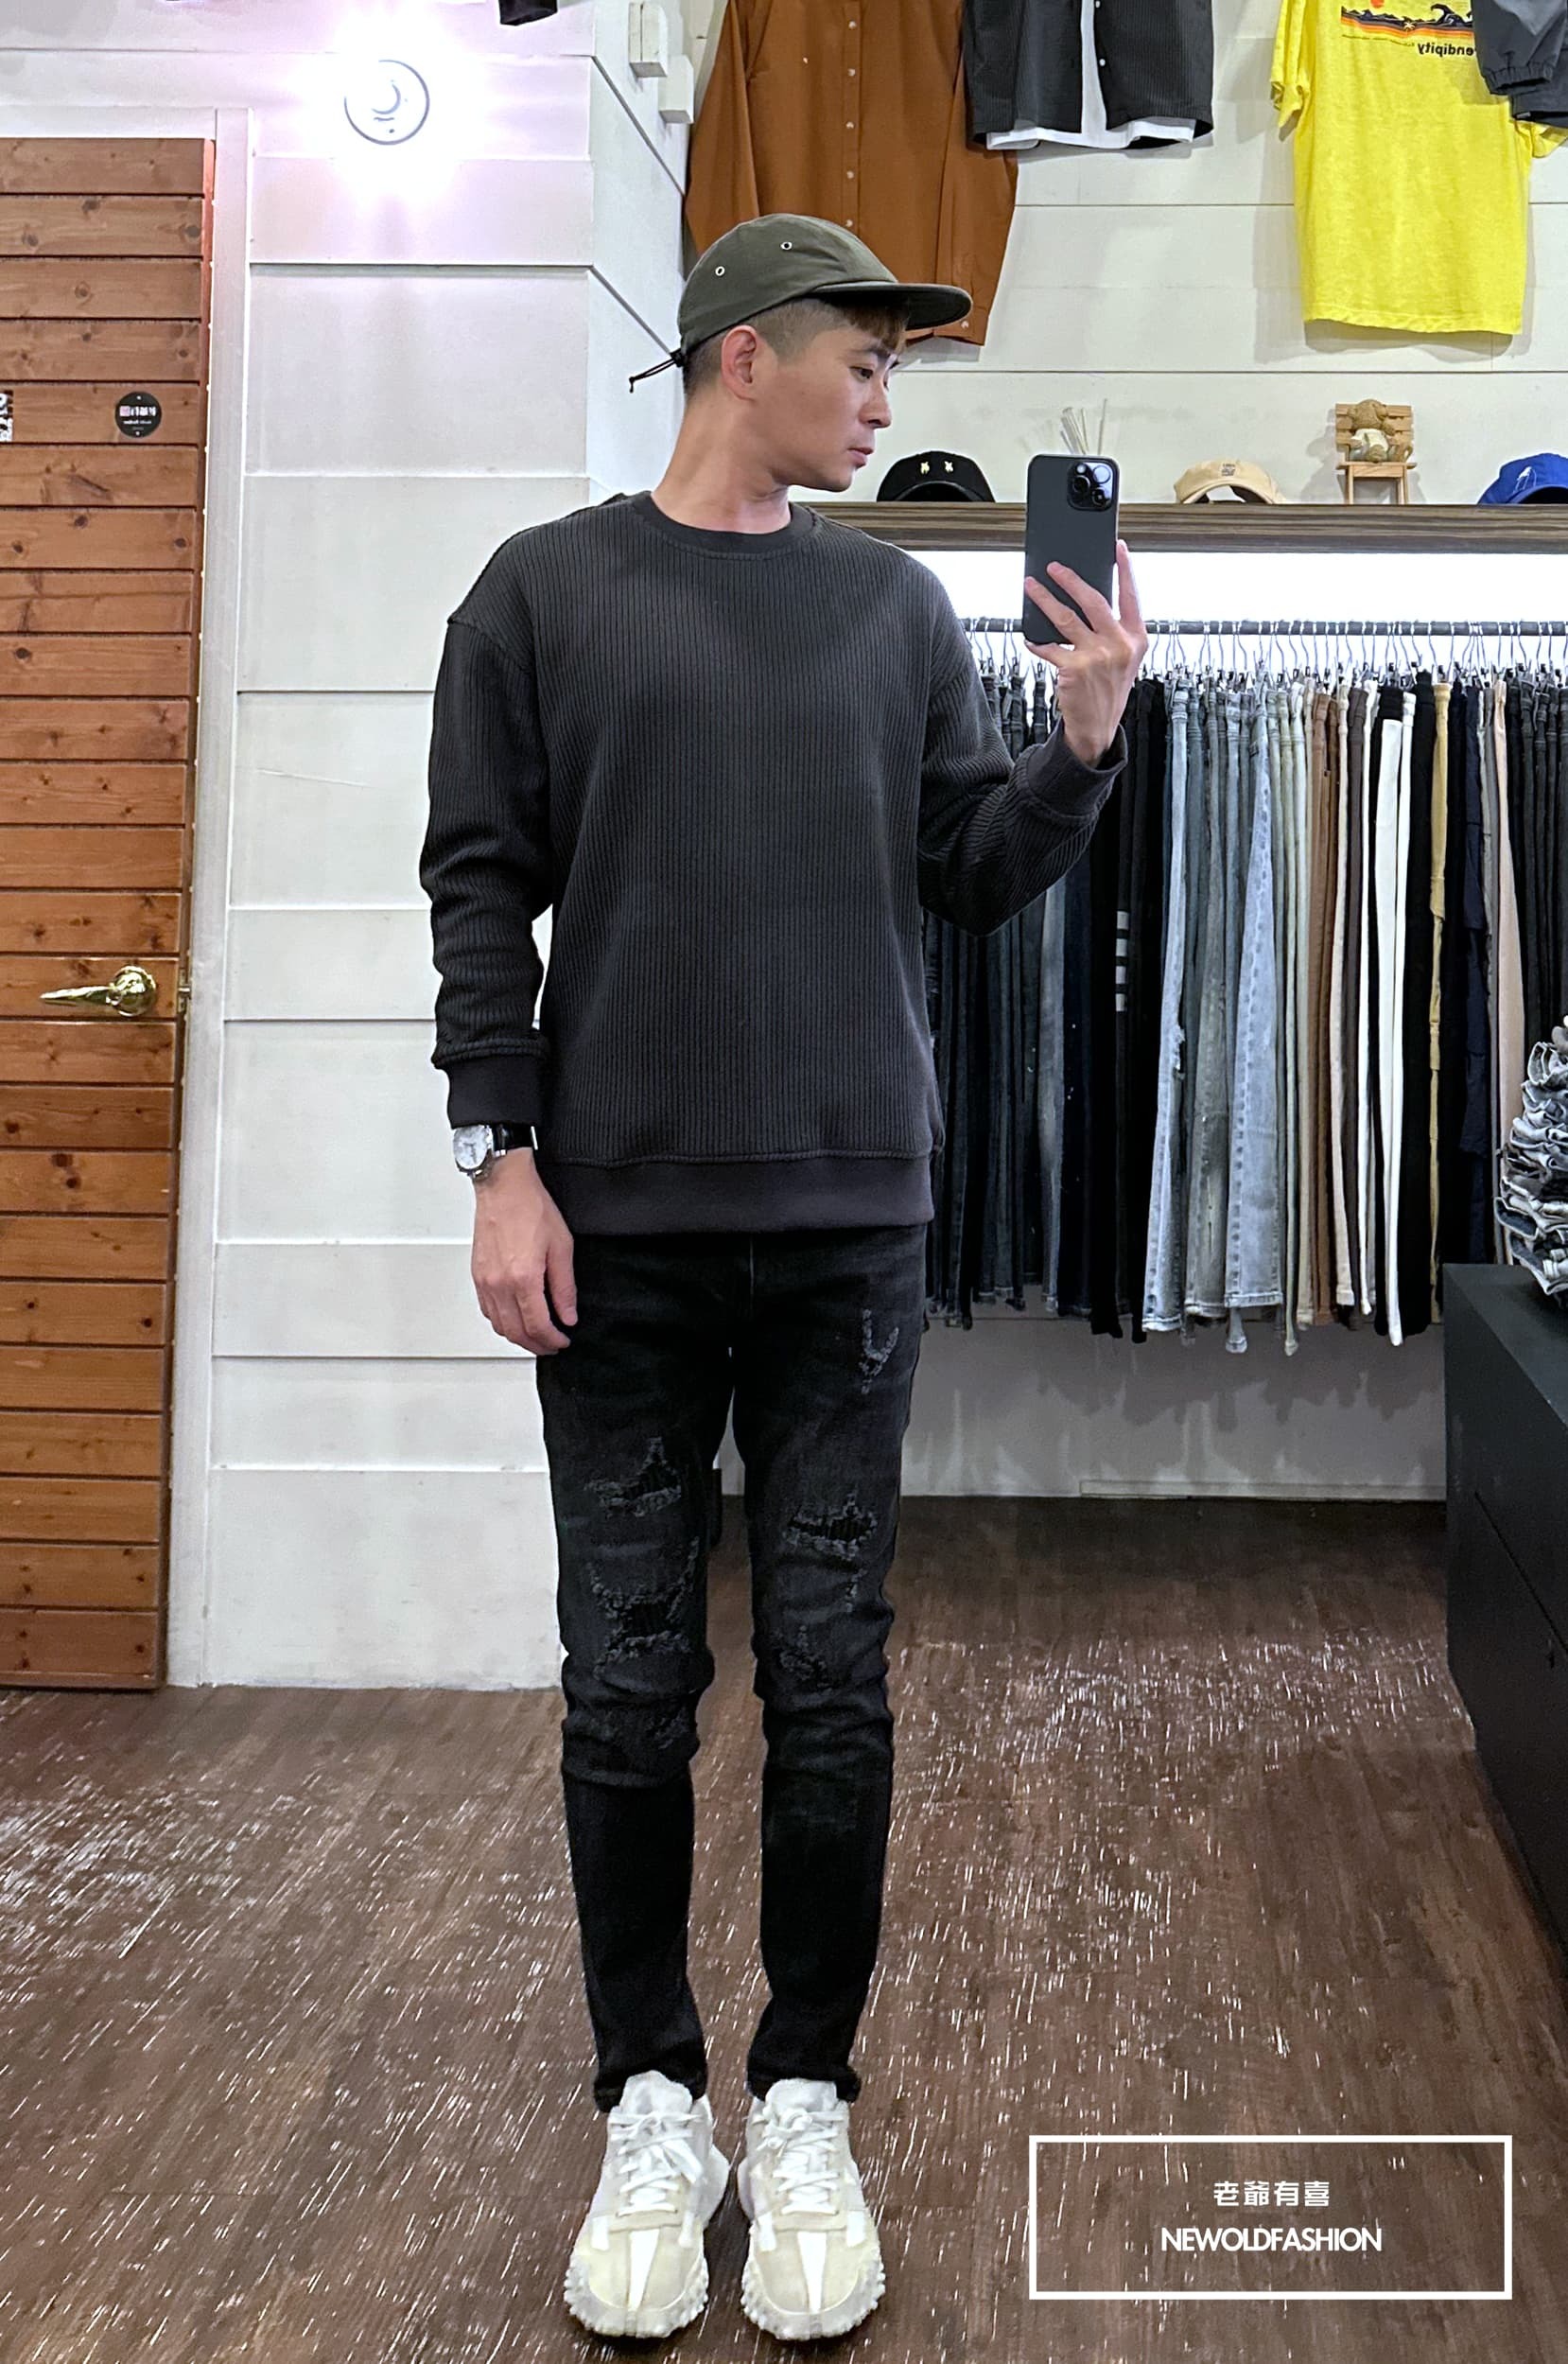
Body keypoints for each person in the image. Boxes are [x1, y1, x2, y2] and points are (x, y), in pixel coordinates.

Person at [419, 211, 1146, 2344]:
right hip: (616, 1232)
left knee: (831, 1675)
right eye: (864, 358)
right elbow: (479, 888)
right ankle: (652, 2099)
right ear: (743, 354)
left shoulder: (894, 604)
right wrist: (501, 1159)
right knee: (628, 1681)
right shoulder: (539, 593)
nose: (884, 397)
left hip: (846, 1237)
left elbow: (965, 875)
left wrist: (1080, 744)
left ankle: (804, 2095)